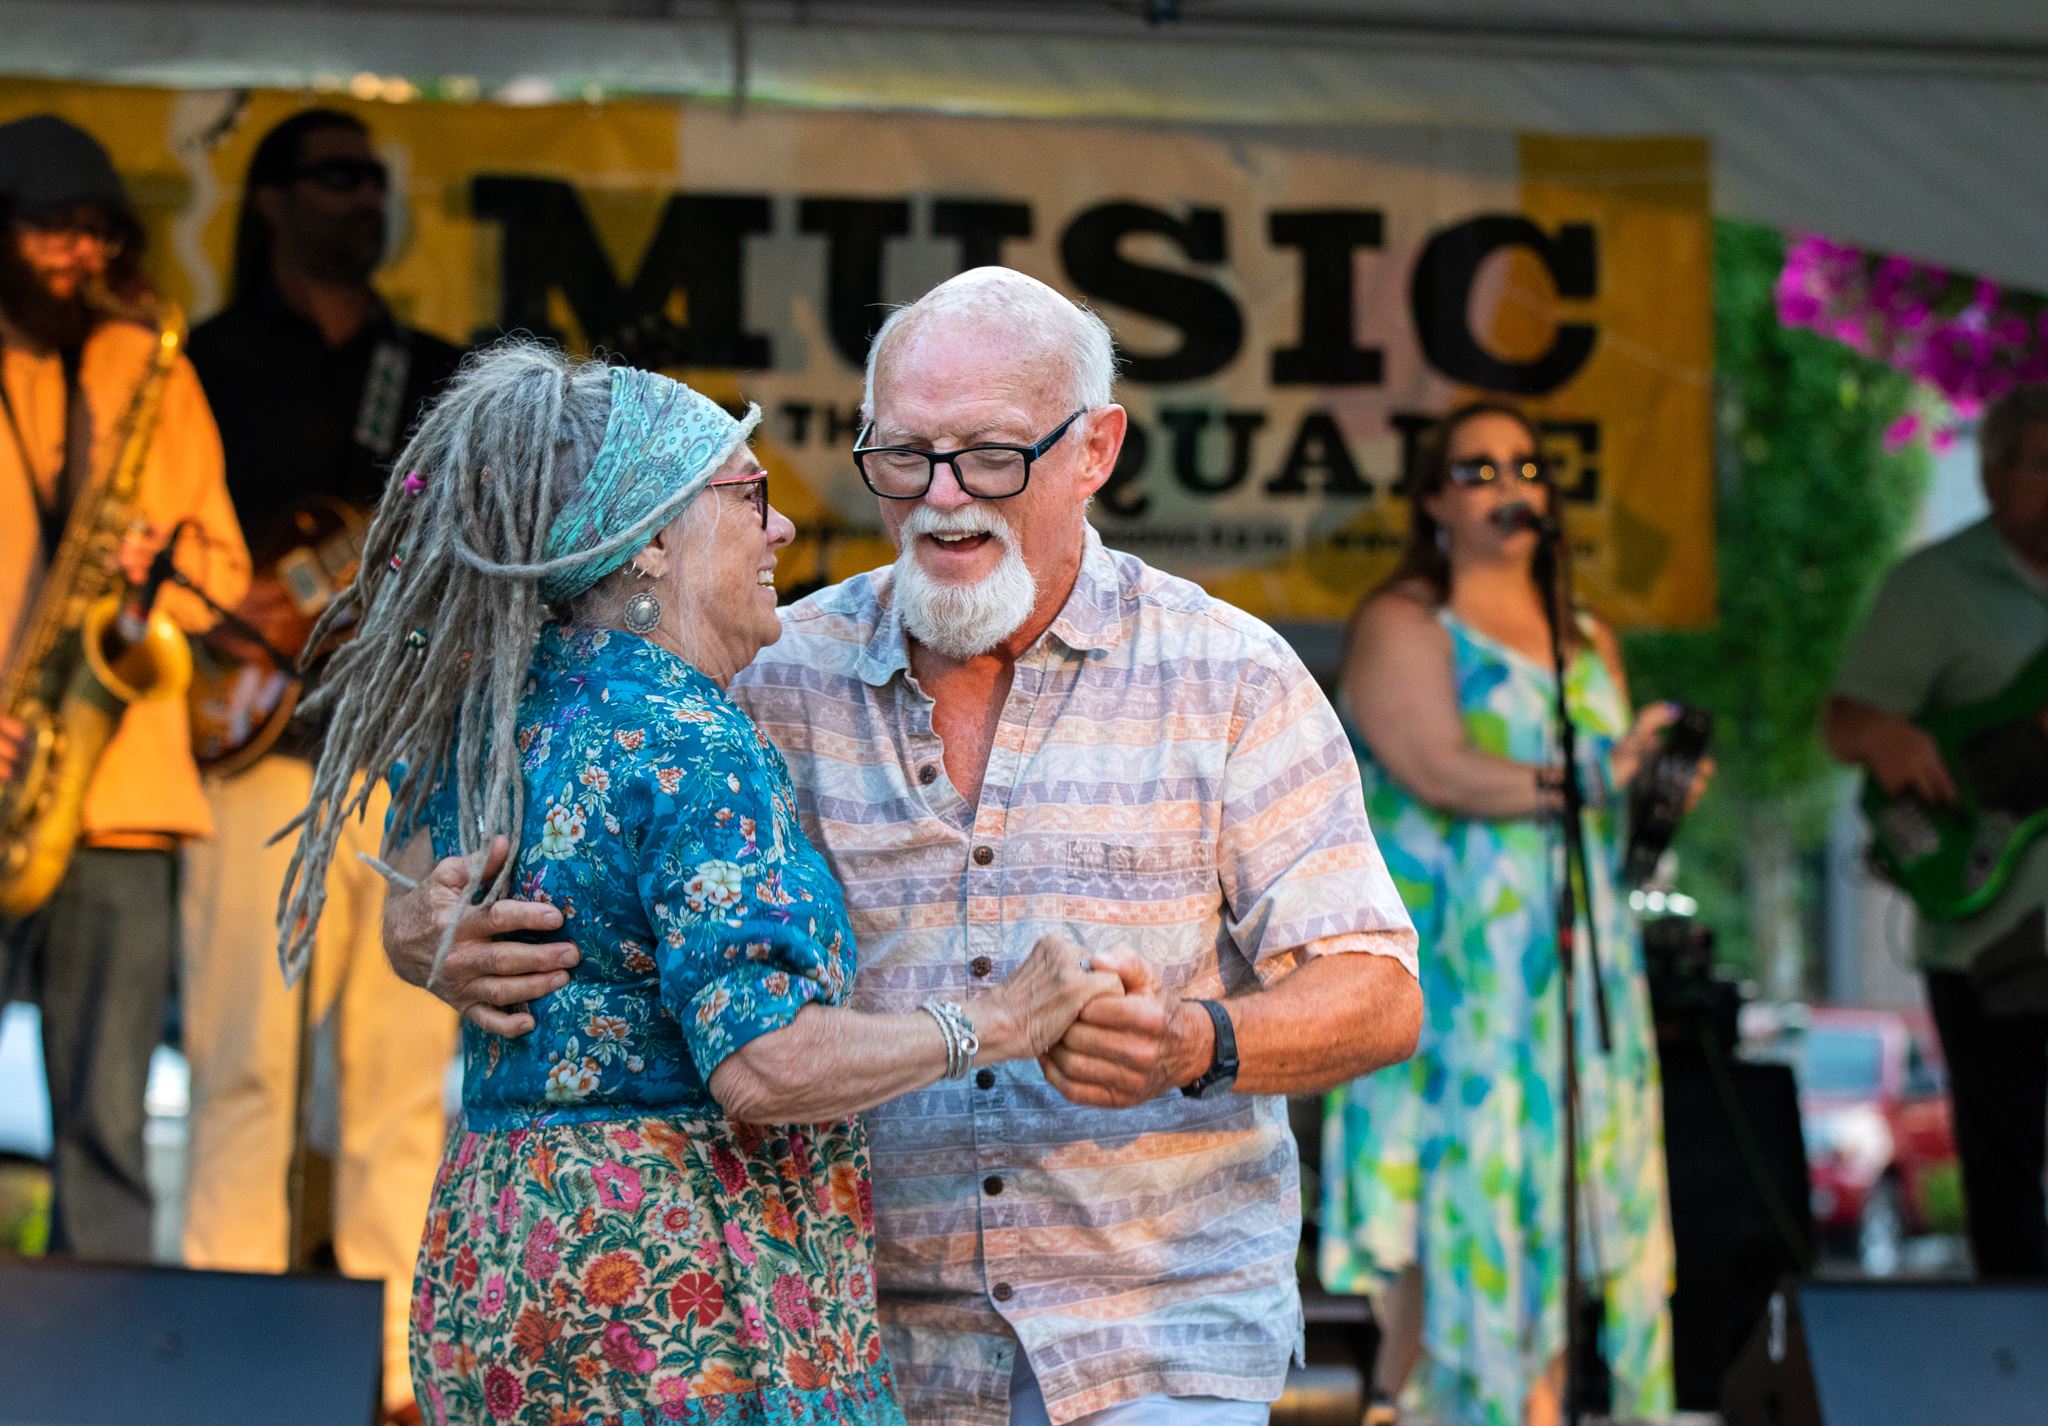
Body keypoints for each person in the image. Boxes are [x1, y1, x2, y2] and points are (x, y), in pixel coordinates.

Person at [386, 267, 1424, 1426]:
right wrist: (422, 931)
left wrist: (1195, 1039)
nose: (941, 496)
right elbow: (494, 817)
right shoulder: (767, 671)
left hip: (1150, 1336)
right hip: (859, 1346)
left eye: (989, 456)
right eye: (901, 456)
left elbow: (1378, 991)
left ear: (1095, 450)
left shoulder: (1227, 674)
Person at [281, 339, 1122, 1424]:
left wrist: (414, 927)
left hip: (498, 1264)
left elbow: (418, 876)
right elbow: (762, 1064)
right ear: (650, 540)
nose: (781, 528)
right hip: (675, 1292)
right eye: (748, 494)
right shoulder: (691, 739)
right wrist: (1000, 1020)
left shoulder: (498, 711)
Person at [1318, 401, 1684, 1426]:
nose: (1506, 487)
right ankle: (1434, 1401)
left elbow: (1602, 818)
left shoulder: (1587, 638)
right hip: (1461, 966)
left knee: (1567, 1203)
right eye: (1475, 471)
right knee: (1463, 1193)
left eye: (1524, 467)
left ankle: (1542, 1400)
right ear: (1433, 501)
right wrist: (1591, 774)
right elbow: (1438, 768)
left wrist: (1650, 793)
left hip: (1574, 967)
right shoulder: (1402, 620)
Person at [177, 106, 463, 1419]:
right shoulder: (210, 362)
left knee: (399, 1078)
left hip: (403, 761)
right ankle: (215, 1348)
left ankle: (396, 1367)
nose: (363, 199)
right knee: (241, 1061)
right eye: (336, 176)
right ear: (274, 199)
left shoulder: (436, 375)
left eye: (373, 179)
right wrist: (239, 605)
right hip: (255, 750)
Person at [0, 114, 250, 1257]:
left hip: (120, 794)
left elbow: (223, 579)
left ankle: (98, 1322)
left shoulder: (155, 367)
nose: (80, 254)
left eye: (98, 231)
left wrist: (162, 567)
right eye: (52, 229)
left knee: (107, 1121)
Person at [1824, 383, 2048, 1279]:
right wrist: (1889, 735)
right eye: (2045, 465)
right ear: (1993, 475)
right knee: (2008, 1174)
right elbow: (1844, 722)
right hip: (1990, 931)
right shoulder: (1936, 587)